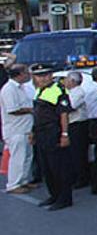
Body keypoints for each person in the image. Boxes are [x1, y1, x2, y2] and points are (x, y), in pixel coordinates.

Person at [30, 64, 73, 210]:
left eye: (45, 75)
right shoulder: (39, 91)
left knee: (58, 167)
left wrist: (64, 134)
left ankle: (64, 198)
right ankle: (54, 195)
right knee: (47, 167)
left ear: (51, 75)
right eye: (39, 76)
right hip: (41, 132)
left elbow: (63, 114)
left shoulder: (58, 90)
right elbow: (37, 114)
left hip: (54, 131)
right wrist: (33, 132)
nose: (42, 78)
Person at [0, 64, 35, 194]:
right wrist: (30, 110)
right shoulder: (8, 89)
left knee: (27, 156)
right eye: (26, 73)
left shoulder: (22, 88)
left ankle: (24, 180)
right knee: (18, 158)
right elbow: (12, 109)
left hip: (25, 128)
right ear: (20, 74)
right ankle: (13, 184)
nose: (28, 75)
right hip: (15, 129)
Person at [63, 71, 89, 189]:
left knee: (79, 153)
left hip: (78, 124)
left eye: (66, 79)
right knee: (72, 153)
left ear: (73, 81)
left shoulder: (78, 92)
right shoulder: (69, 92)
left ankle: (82, 177)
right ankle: (75, 176)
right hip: (71, 124)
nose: (64, 82)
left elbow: (71, 106)